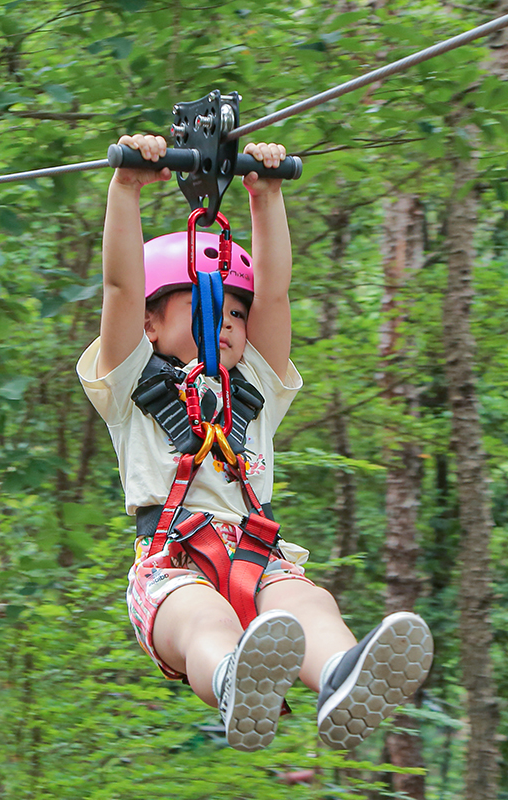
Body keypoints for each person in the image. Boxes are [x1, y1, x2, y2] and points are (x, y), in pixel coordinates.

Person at [77, 133, 433, 752]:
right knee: (205, 617)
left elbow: (273, 293)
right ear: (151, 324)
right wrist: (125, 189)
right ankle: (232, 677)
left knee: (305, 606)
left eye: (235, 316)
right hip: (171, 561)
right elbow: (119, 290)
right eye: (208, 307)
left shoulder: (254, 391)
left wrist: (265, 198)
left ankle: (343, 676)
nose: (229, 322)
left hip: (256, 553)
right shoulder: (129, 382)